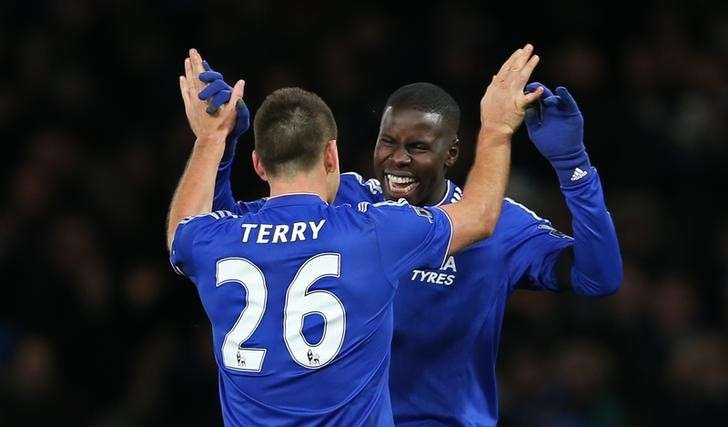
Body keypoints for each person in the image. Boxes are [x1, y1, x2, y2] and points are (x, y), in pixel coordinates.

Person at [201, 47, 622, 426]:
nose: (398, 158)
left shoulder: (502, 225)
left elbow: (598, 277)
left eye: (418, 146)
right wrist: (223, 144)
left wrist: (573, 164)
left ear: (451, 154)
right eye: (388, 141)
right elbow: (226, 228)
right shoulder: (343, 200)